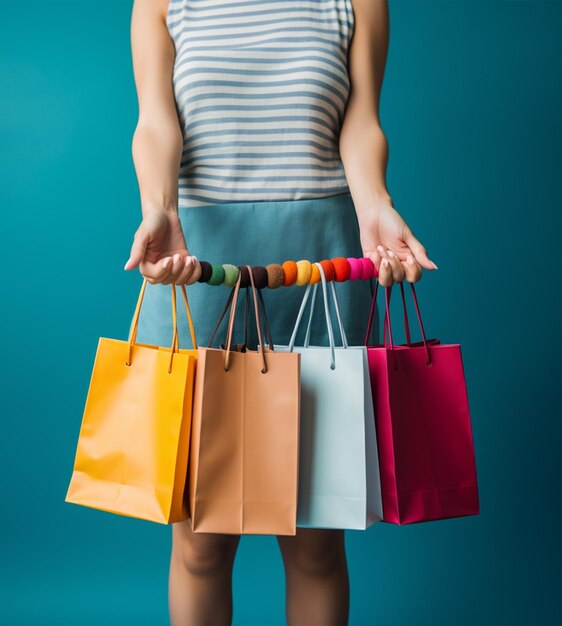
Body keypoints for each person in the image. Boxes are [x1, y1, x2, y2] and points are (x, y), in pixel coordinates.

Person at [124, 0, 437, 624]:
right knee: (200, 541)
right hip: (197, 268)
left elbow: (361, 122)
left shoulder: (357, 2)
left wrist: (375, 205)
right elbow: (157, 121)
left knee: (317, 537)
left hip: (323, 268)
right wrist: (159, 209)